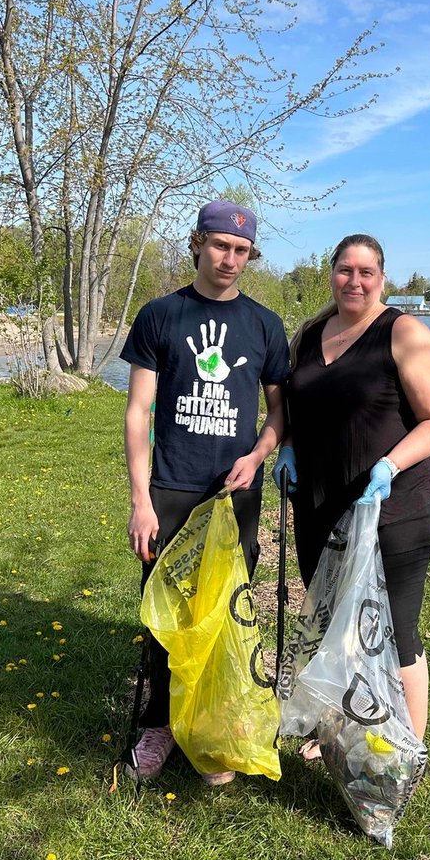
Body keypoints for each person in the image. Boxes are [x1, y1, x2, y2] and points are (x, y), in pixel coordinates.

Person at [121, 199, 289, 785]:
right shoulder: (161, 315)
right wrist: (141, 500)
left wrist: (258, 455)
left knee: (224, 612)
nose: (231, 259)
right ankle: (161, 724)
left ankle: (215, 723)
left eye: (242, 251)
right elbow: (139, 410)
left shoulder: (265, 325)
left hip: (233, 495)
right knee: (164, 614)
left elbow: (276, 416)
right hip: (170, 486)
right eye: (221, 246)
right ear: (198, 244)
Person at [275, 233, 430, 755]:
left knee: (395, 628)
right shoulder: (311, 333)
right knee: (335, 620)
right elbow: (298, 405)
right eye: (344, 270)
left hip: (393, 506)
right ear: (331, 273)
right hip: (317, 505)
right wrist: (286, 446)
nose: (354, 281)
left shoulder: (404, 333)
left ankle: (405, 748)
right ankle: (342, 725)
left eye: (366, 272)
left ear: (382, 278)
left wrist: (391, 464)